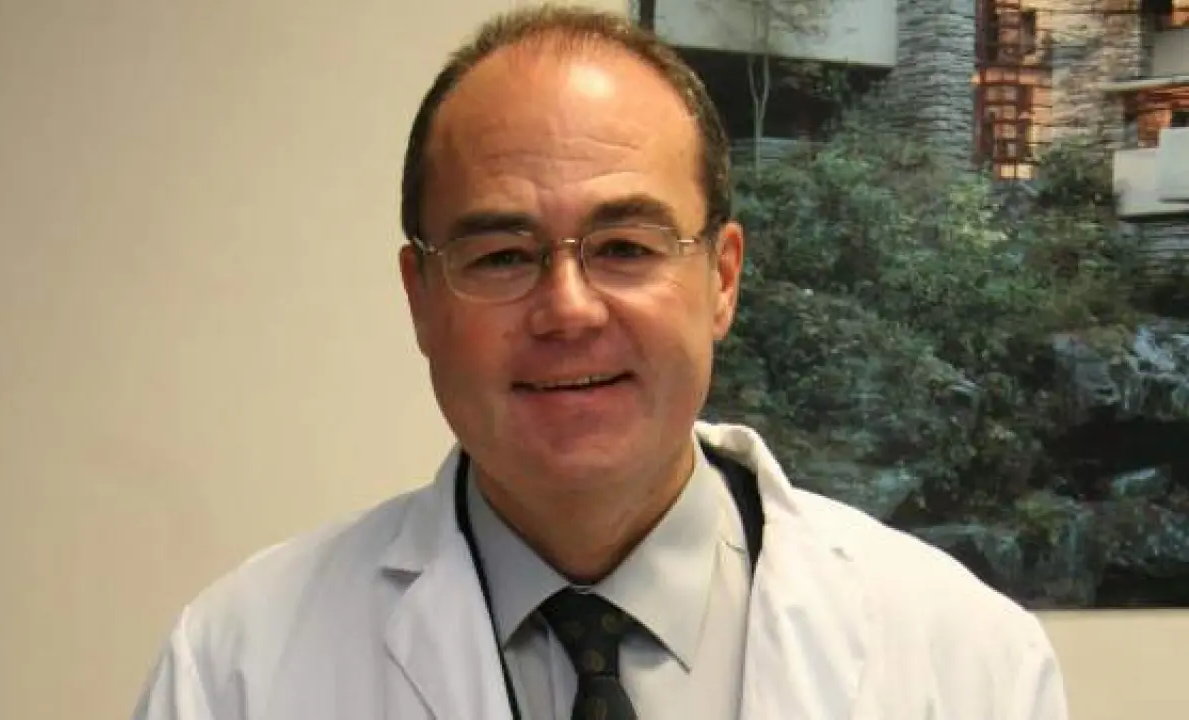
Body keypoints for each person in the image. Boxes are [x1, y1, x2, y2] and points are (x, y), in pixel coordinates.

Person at [132, 5, 1069, 719]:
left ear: (722, 279)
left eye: (625, 246)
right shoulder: (237, 670)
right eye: (501, 256)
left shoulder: (965, 665)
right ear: (421, 297)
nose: (569, 309)